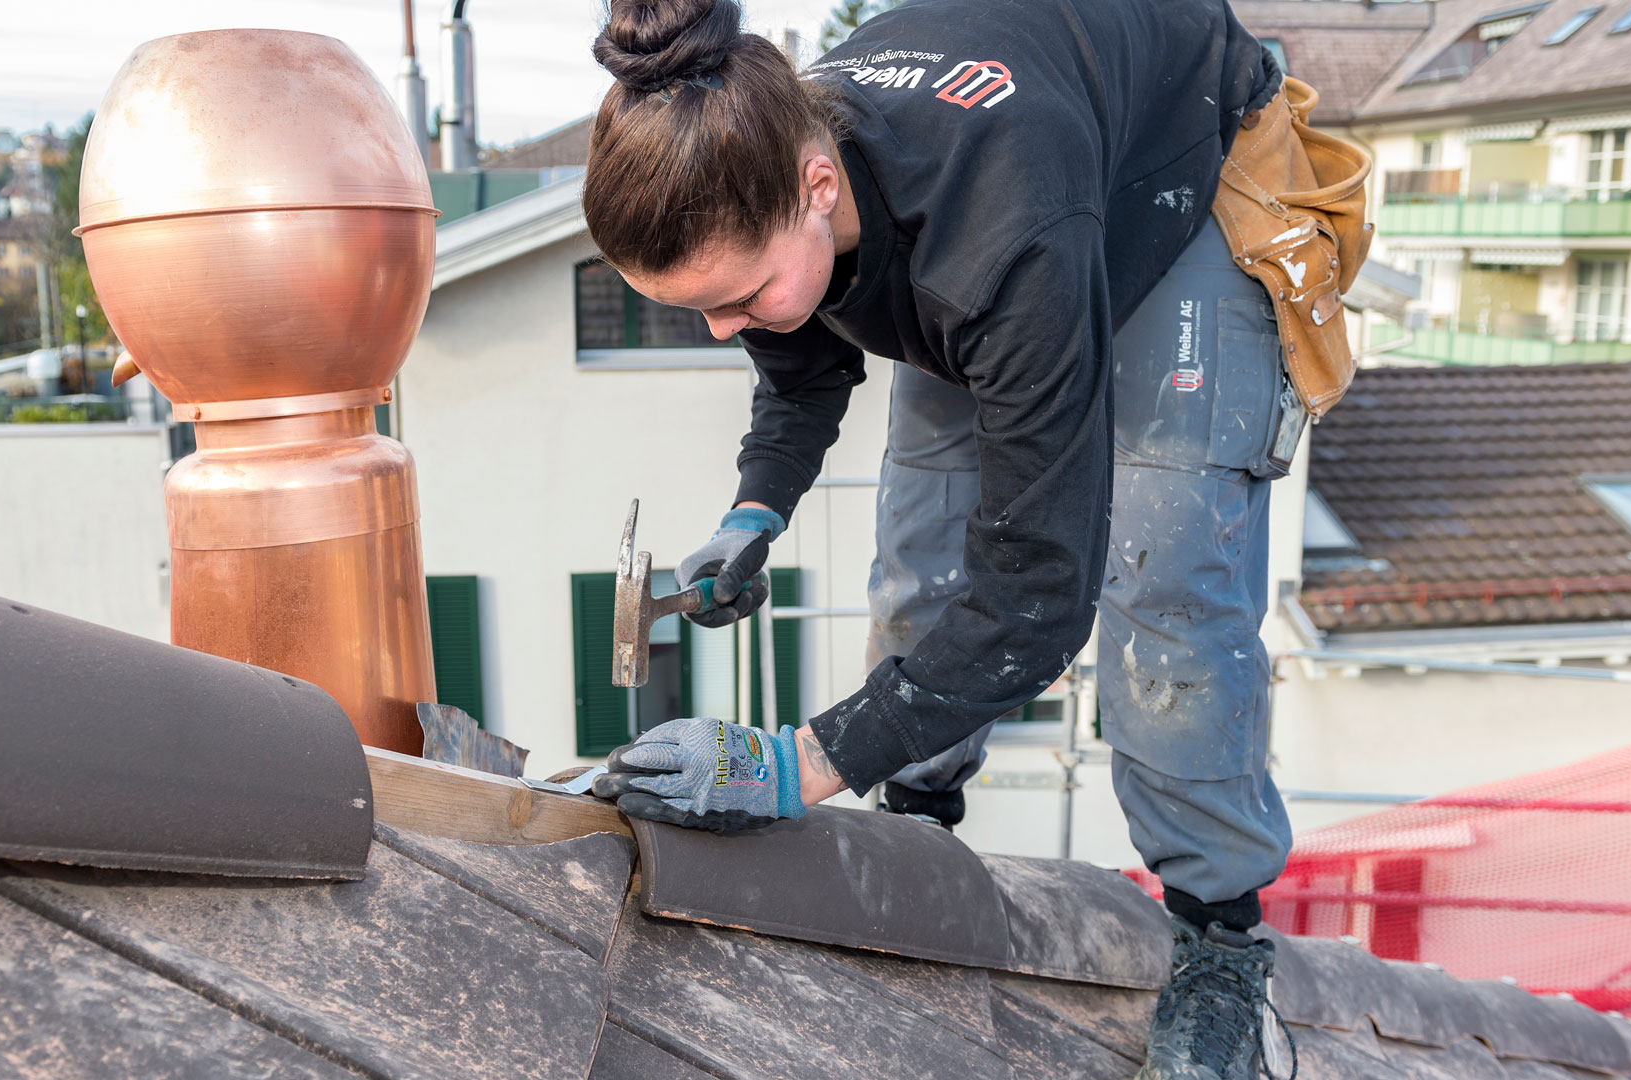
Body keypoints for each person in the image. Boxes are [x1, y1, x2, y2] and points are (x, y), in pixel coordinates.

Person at [583, 1, 1365, 1076]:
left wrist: (795, 768)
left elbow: (1040, 596)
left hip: (1176, 177)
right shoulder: (768, 154)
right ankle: (919, 825)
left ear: (819, 189)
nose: (726, 328)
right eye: (701, 311)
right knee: (918, 560)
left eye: (739, 296)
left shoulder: (1007, 236)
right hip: (1018, 192)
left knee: (1162, 589)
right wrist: (754, 510)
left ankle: (1223, 934)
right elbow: (799, 352)